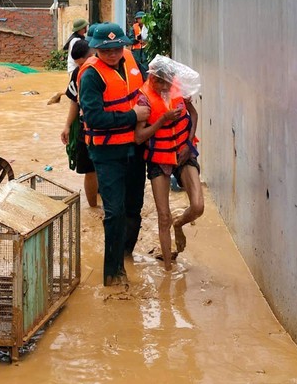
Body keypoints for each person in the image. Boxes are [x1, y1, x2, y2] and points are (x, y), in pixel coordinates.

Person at [78, 23, 149, 286]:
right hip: (107, 152)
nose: (113, 54)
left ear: (123, 46)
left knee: (134, 207)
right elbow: (94, 118)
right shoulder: (91, 76)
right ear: (96, 49)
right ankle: (113, 273)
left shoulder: (131, 60)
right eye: (106, 50)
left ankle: (126, 256)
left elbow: (148, 87)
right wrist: (133, 116)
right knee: (114, 211)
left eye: (117, 48)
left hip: (135, 148)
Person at [134, 59, 203, 270]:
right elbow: (139, 137)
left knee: (198, 206)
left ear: (173, 79)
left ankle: (179, 224)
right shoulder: (143, 99)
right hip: (159, 158)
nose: (164, 87)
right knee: (163, 217)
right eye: (159, 82)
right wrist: (162, 120)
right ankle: (167, 270)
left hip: (183, 153)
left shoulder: (179, 91)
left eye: (167, 82)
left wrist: (188, 143)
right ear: (151, 78)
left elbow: (193, 114)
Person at [60, 39, 99, 207]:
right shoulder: (78, 73)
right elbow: (74, 101)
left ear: (92, 54)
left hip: (107, 127)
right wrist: (67, 126)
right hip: (87, 128)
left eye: (83, 63)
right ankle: (93, 208)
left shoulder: (106, 69)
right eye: (79, 64)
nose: (83, 67)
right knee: (90, 170)